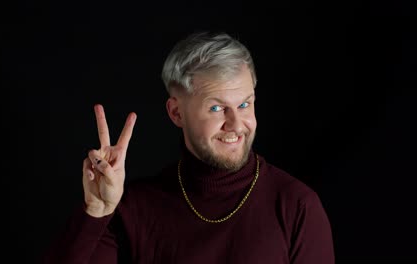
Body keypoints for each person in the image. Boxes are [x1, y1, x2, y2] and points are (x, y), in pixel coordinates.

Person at [43, 31, 335, 264]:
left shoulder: (297, 206)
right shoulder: (136, 207)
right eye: (217, 108)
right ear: (176, 113)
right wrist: (95, 211)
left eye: (245, 104)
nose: (236, 124)